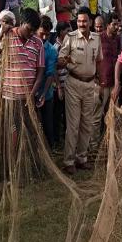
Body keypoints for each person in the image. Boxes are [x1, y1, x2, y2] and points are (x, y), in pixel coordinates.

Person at [58, 7, 102, 175]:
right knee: (73, 124)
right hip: (74, 84)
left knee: (87, 123)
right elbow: (60, 60)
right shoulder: (70, 38)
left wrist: (98, 79)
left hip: (90, 85)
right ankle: (69, 161)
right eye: (79, 21)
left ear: (90, 22)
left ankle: (81, 158)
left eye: (84, 21)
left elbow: (99, 61)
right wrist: (64, 60)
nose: (82, 24)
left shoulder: (96, 39)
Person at [92, 12, 121, 146]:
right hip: (100, 84)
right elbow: (93, 60)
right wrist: (95, 80)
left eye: (118, 24)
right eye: (114, 24)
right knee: (97, 117)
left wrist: (117, 84)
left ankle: (108, 144)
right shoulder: (98, 39)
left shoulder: (118, 39)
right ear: (107, 25)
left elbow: (119, 61)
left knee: (111, 116)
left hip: (113, 84)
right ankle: (93, 145)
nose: (116, 27)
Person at [36, 16, 58, 150]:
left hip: (46, 94)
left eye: (47, 34)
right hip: (30, 93)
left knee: (47, 124)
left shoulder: (51, 50)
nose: (44, 37)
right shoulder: (29, 45)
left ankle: (49, 151)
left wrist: (43, 94)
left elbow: (50, 74)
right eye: (41, 33)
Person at [53, 21, 71, 149]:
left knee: (66, 114)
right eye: (67, 31)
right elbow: (54, 68)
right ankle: (57, 141)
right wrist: (59, 87)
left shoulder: (66, 46)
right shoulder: (56, 47)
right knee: (58, 113)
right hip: (59, 86)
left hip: (67, 85)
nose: (69, 34)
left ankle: (64, 140)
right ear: (60, 32)